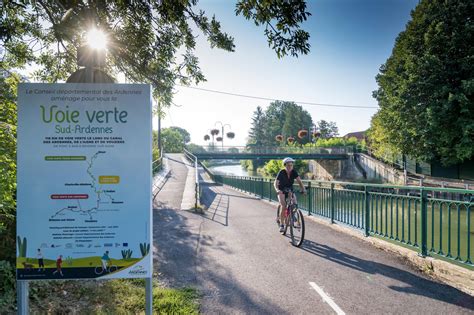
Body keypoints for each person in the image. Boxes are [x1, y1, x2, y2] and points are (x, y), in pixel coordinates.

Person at [274, 157, 306, 232]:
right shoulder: (281, 172)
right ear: (285, 165)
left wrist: (303, 189)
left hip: (289, 190)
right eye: (288, 165)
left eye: (291, 165)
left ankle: (292, 215)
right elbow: (276, 183)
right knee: (284, 205)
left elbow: (299, 182)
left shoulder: (294, 172)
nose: (290, 167)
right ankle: (282, 225)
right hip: (281, 190)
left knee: (295, 204)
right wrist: (277, 190)